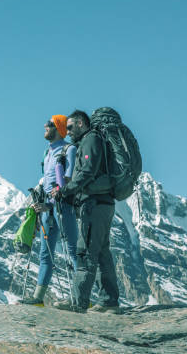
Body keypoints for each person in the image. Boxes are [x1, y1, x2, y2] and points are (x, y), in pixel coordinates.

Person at [51, 110, 120, 314]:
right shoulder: (94, 140)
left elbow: (87, 172)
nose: (68, 131)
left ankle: (78, 301)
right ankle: (109, 302)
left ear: (81, 123)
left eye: (70, 127)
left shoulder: (90, 139)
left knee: (85, 252)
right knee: (102, 253)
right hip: (104, 203)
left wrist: (65, 191)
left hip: (94, 204)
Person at [21, 115, 78, 305]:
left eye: (50, 124)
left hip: (64, 206)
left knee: (72, 250)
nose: (45, 125)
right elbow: (46, 181)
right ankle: (38, 298)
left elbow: (68, 179)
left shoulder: (69, 149)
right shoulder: (47, 153)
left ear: (59, 128)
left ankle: (80, 298)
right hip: (48, 208)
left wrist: (51, 203)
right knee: (45, 254)